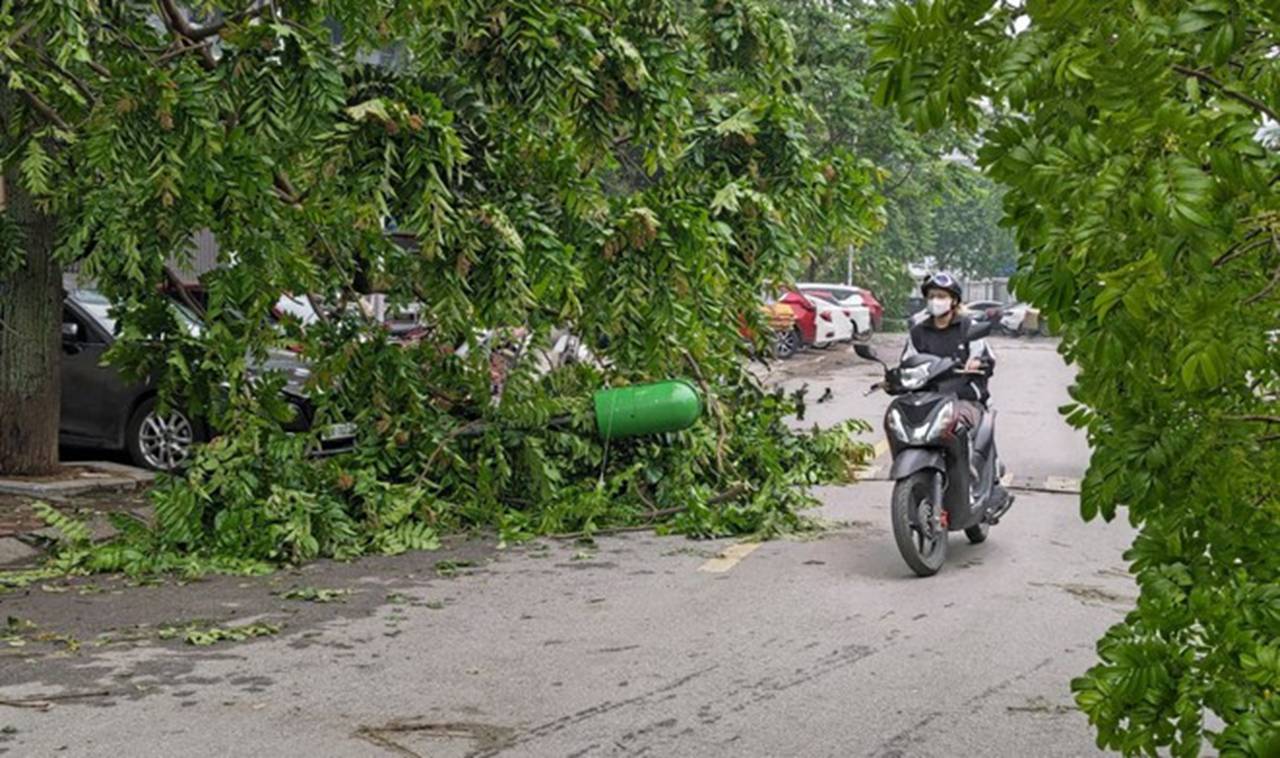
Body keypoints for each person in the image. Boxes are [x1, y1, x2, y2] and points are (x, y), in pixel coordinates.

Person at [903, 273, 1009, 509]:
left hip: (964, 399)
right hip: (928, 398)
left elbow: (985, 357)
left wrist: (977, 364)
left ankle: (985, 481)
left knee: (961, 424)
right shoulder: (918, 332)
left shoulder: (968, 328)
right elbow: (907, 362)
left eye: (941, 296)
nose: (936, 301)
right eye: (931, 296)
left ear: (953, 301)